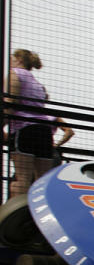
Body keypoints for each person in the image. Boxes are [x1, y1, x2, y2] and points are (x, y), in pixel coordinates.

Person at [3, 49, 54, 197]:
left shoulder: (15, 74)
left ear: (19, 60)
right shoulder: (37, 83)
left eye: (12, 58)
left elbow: (11, 103)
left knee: (22, 178)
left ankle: (19, 216)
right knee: (43, 180)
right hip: (44, 131)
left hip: (24, 128)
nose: (10, 61)